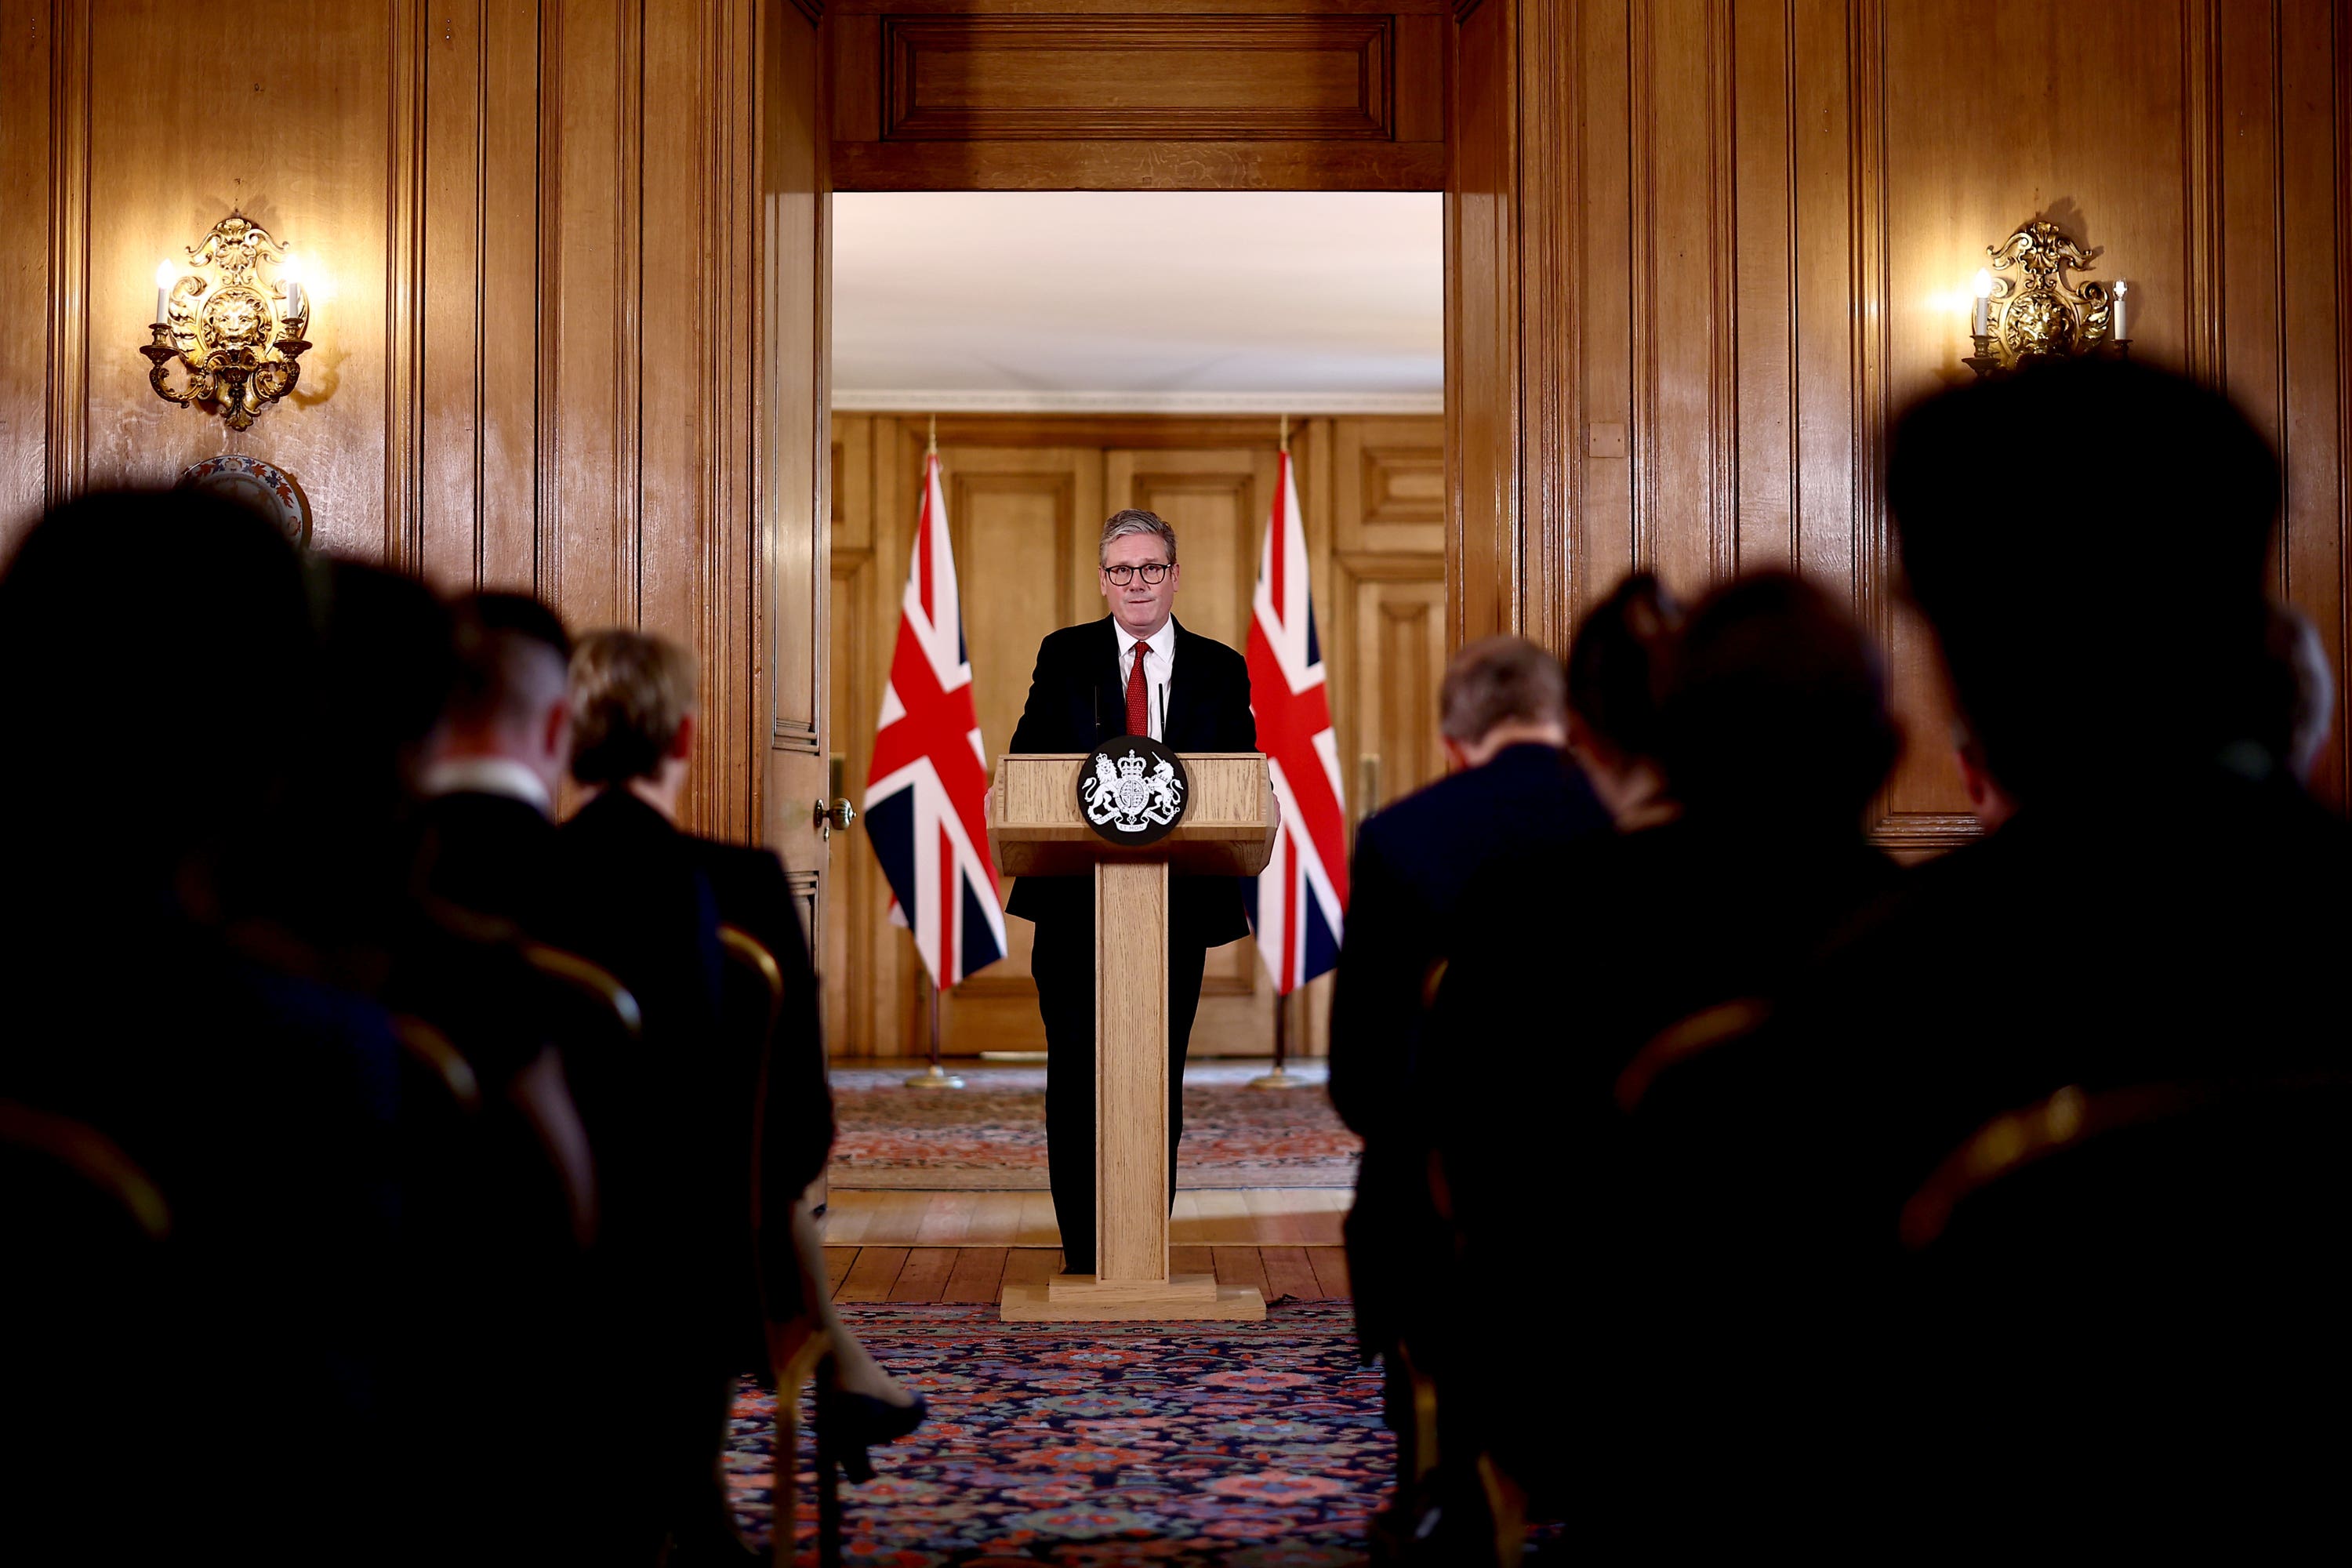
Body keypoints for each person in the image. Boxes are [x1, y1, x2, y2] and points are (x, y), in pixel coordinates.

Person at [1428, 570, 1903, 1545]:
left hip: (1602, 1406)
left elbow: (1470, 1183)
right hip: (1892, 1408)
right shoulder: (1936, 930)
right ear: (1884, 749)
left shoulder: (1526, 913)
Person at [557, 630, 920, 1562]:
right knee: (736, 1193)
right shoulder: (745, 884)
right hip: (712, 1262)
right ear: (682, 740)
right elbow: (800, 1128)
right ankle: (802, 1395)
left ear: (563, 737)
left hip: (528, 1244)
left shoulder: (520, 880)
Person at [1326, 635, 1610, 1530]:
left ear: (1454, 742)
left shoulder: (1401, 837)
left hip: (1454, 1218)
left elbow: (1363, 1084)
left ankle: (1445, 1484)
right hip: (1635, 1200)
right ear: (1568, 727)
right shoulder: (1633, 825)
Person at [1006, 508, 1257, 1276]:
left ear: (1175, 575)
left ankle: (1143, 1244)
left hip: (1175, 908)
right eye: (1121, 569)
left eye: (1150, 568)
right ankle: (1085, 1254)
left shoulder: (1220, 665)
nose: (1136, 582)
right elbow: (1026, 766)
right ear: (1104, 578)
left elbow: (1236, 780)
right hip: (1076, 905)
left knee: (1156, 1076)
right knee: (1076, 1075)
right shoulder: (1065, 654)